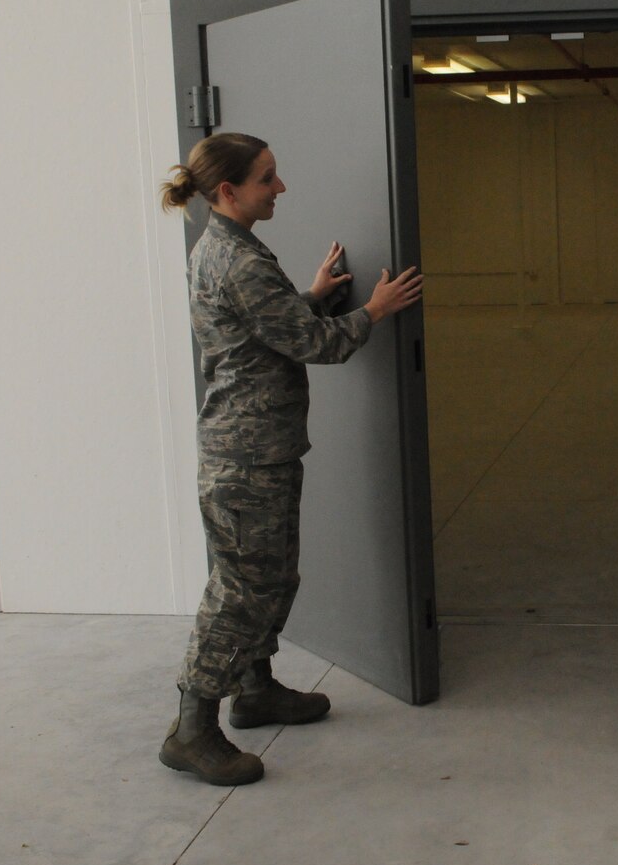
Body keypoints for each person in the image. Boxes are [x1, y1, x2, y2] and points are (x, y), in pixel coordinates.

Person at [157, 132, 424, 786]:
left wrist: (308, 295)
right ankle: (191, 727)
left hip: (259, 449)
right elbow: (315, 346)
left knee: (272, 577)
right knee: (241, 588)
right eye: (267, 178)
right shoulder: (237, 259)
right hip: (245, 457)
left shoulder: (225, 247)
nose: (279, 188)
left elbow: (264, 331)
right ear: (228, 191)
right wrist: (374, 311)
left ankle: (255, 688)